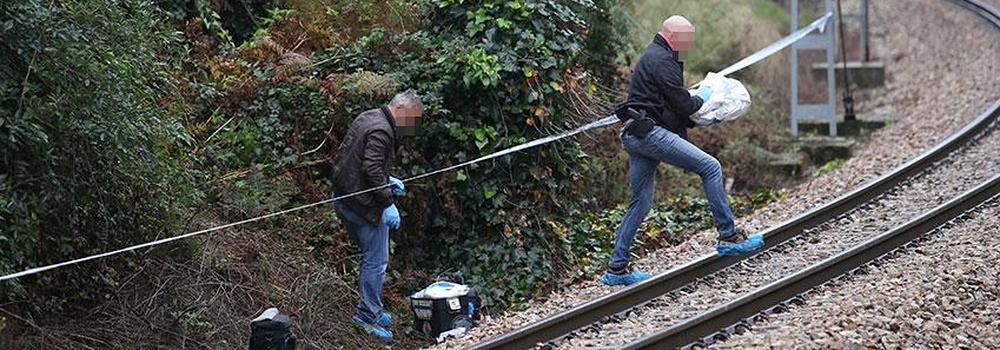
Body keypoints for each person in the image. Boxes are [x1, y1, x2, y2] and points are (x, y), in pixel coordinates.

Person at [602, 16, 763, 287]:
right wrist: (706, 98)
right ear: (673, 36)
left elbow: (666, 104)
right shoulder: (663, 61)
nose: (689, 44)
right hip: (648, 134)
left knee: (640, 201)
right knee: (710, 167)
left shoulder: (653, 56)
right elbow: (683, 104)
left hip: (635, 132)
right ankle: (728, 236)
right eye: (687, 38)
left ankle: (616, 269)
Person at [331, 90, 423, 342]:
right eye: (412, 119)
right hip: (361, 205)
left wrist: (386, 180)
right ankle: (366, 316)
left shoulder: (369, 117)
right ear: (402, 110)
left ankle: (371, 307)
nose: (411, 126)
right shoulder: (383, 131)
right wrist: (386, 202)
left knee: (368, 256)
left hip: (343, 196)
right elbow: (370, 167)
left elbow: (355, 157)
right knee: (376, 260)